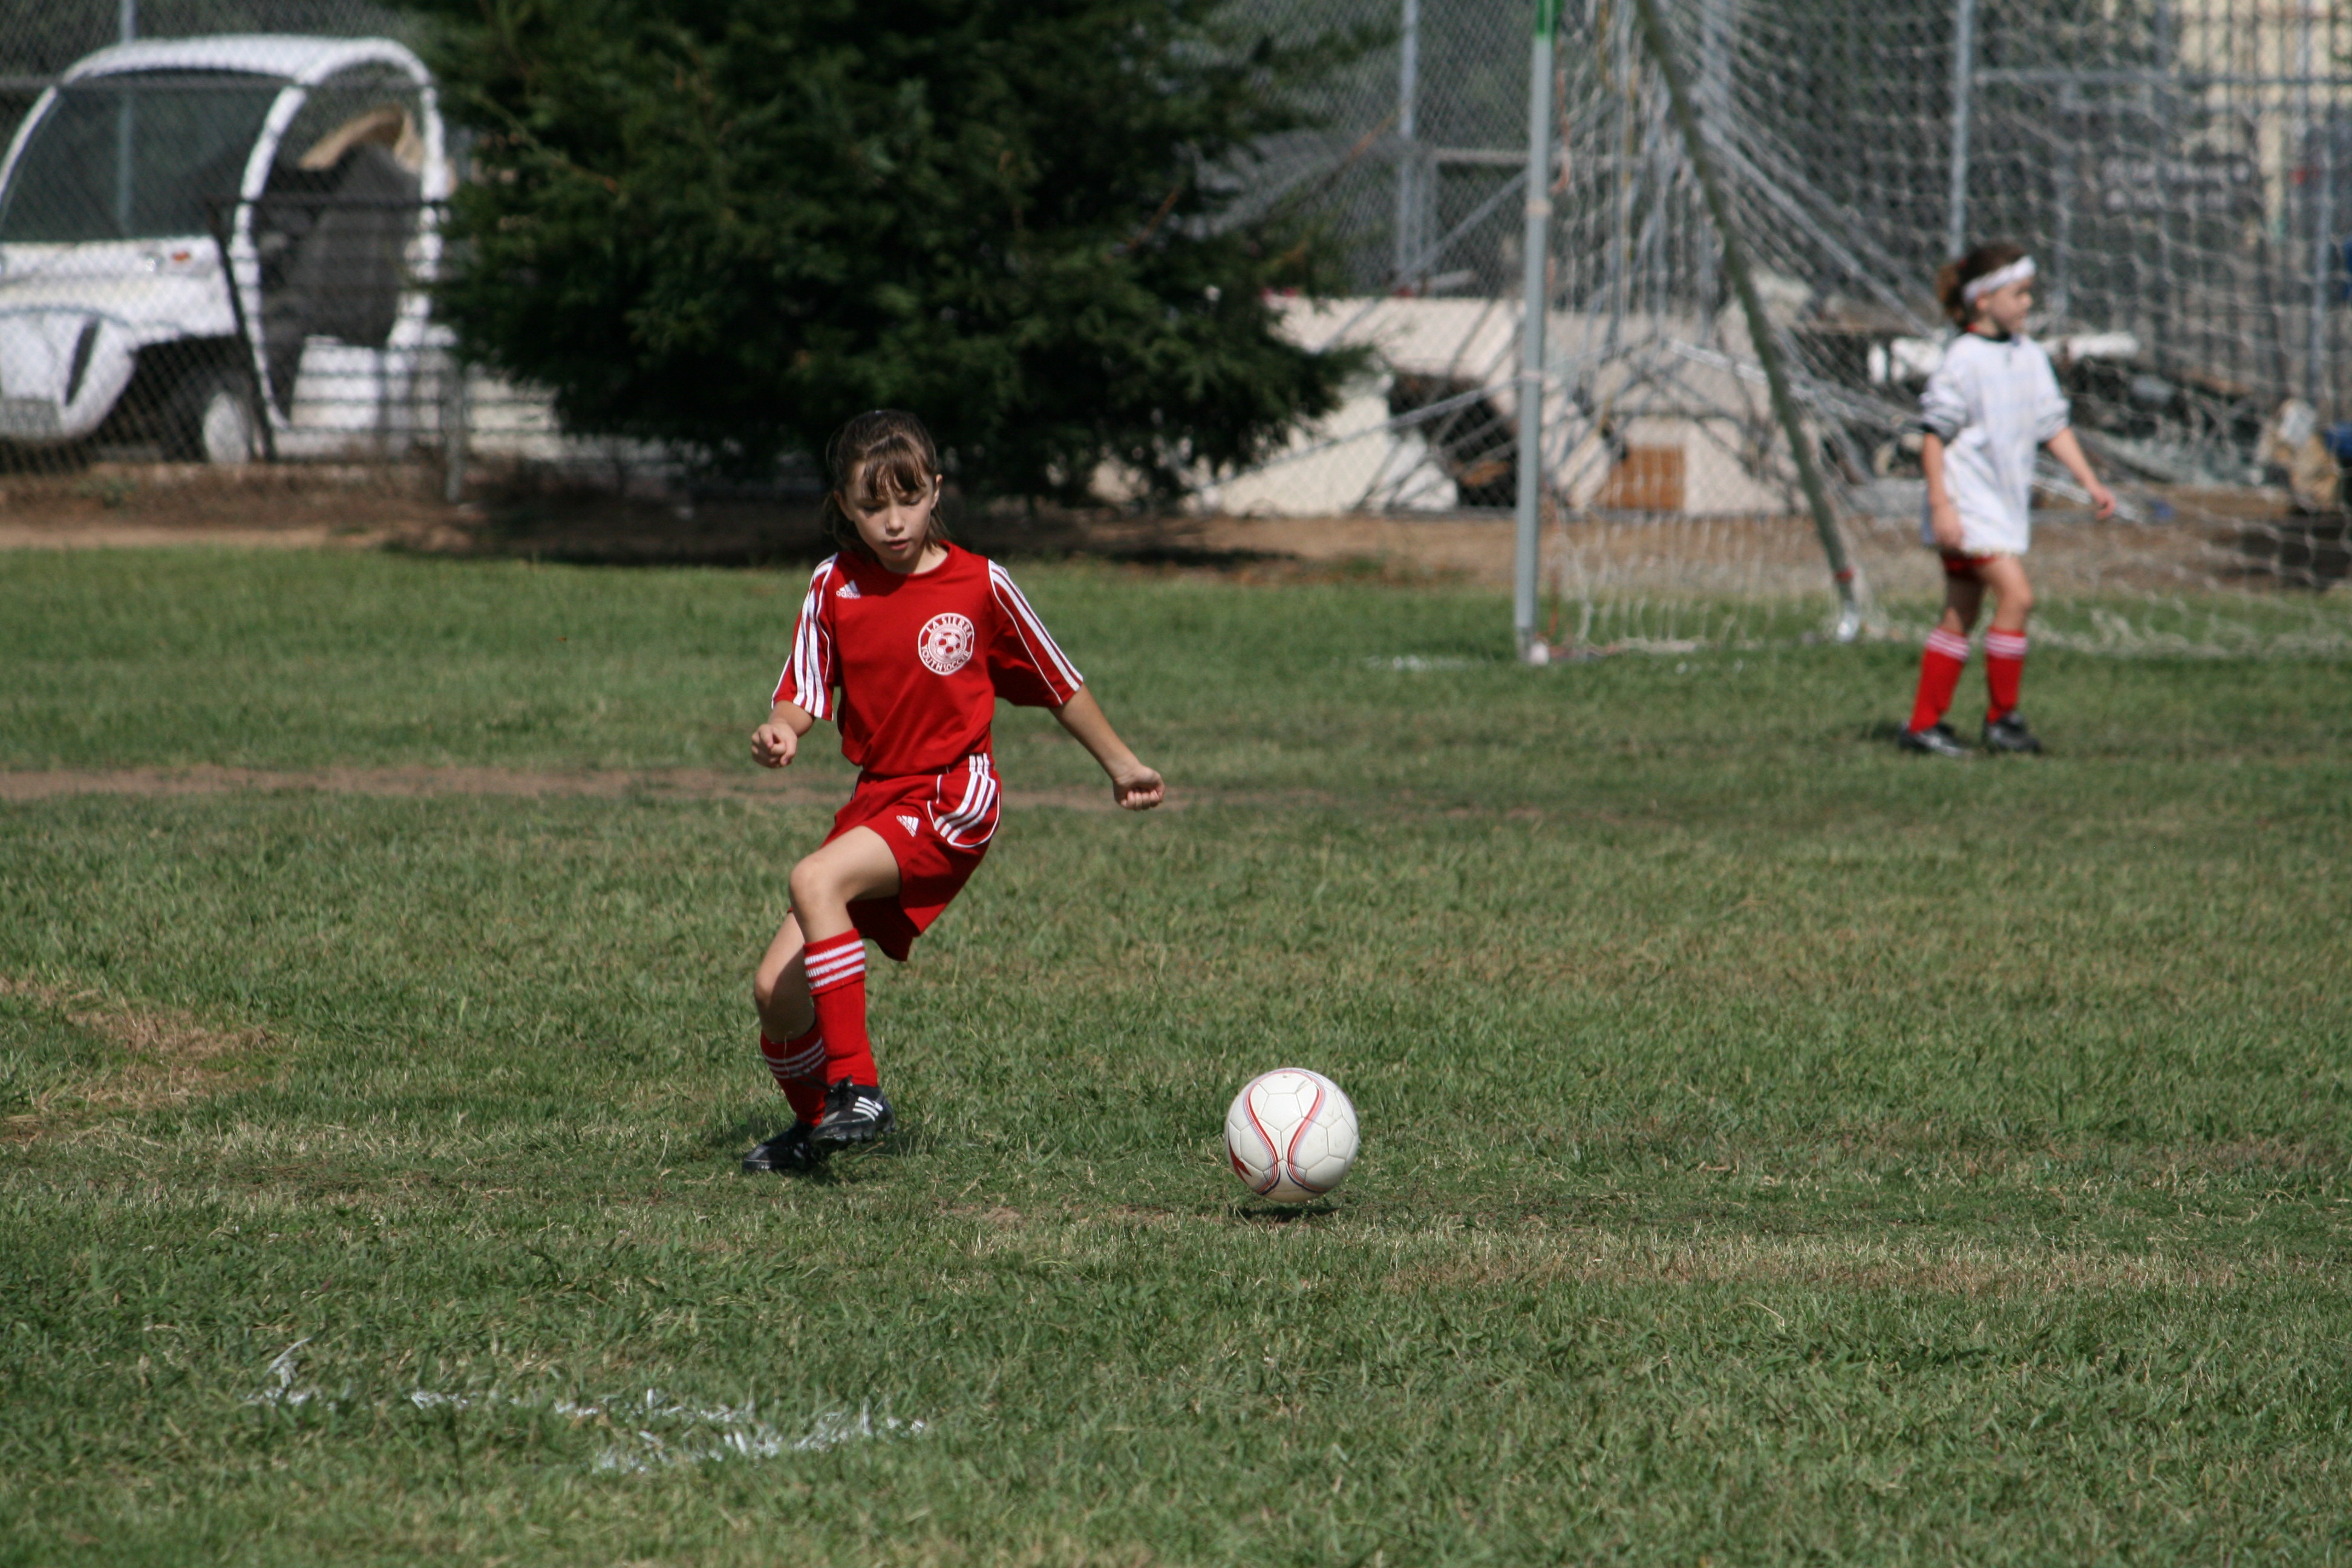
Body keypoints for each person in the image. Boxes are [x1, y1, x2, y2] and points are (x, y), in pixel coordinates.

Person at [740, 410, 1165, 1172]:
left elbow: (1058, 681)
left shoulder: (980, 584)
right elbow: (801, 689)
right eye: (872, 505)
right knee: (776, 991)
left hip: (952, 796)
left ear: (936, 490)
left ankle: (857, 1086)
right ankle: (818, 1129)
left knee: (815, 878)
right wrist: (782, 728)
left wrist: (1123, 765)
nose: (893, 521)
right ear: (843, 507)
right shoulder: (834, 585)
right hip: (877, 799)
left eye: (908, 499)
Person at [1900, 243, 2115, 758]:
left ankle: (1924, 725)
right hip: (1967, 508)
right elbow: (1933, 437)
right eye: (2018, 294)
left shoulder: (2029, 356)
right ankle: (2002, 719)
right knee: (2018, 598)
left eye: (2028, 293)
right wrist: (1942, 506)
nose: (2027, 304)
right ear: (1982, 300)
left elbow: (2053, 425)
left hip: (1999, 509)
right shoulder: (1963, 360)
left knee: (1961, 614)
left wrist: (2090, 482)